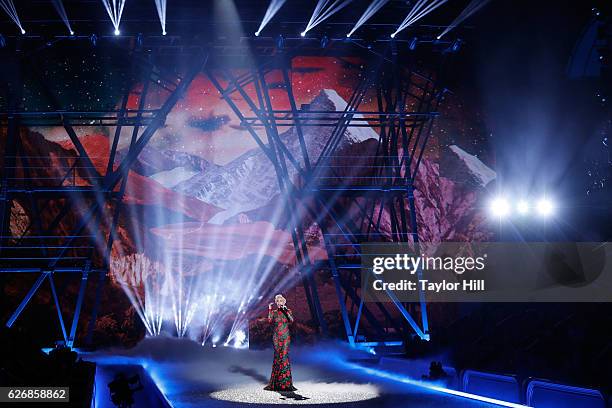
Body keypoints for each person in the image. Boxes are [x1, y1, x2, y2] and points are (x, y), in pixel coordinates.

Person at [264, 294, 297, 391]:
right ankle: (276, 383)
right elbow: (269, 321)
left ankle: (285, 383)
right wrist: (269, 309)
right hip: (276, 337)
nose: (279, 303)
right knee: (278, 357)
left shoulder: (288, 311)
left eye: (281, 301)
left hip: (286, 337)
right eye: (277, 301)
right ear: (276, 303)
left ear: (284, 302)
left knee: (284, 357)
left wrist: (286, 310)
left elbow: (291, 320)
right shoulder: (274, 312)